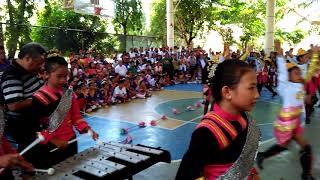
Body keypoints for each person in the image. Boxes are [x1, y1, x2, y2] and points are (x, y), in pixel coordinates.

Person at [176, 59, 260, 180]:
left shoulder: (245, 119)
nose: (257, 95)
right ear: (227, 92)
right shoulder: (207, 133)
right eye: (251, 88)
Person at [256, 41, 315, 180]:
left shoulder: (299, 85)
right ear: (288, 76)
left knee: (286, 146)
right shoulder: (285, 86)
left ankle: (262, 155)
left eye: (299, 72)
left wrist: (314, 55)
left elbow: (308, 70)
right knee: (305, 148)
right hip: (288, 122)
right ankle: (306, 175)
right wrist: (280, 55)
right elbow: (282, 71)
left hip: (296, 120)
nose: (299, 74)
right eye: (295, 72)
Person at [29, 53, 99, 168]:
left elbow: (76, 117)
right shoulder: (39, 98)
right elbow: (34, 128)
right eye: (59, 76)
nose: (63, 80)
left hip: (71, 142)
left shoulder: (68, 94)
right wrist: (55, 141)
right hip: (51, 146)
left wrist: (88, 129)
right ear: (46, 74)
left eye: (65, 76)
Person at [0, 43, 46, 165]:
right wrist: (42, 97)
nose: (40, 66)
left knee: (37, 154)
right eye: (38, 63)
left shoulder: (27, 70)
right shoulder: (12, 74)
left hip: (33, 122)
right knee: (31, 156)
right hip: (22, 125)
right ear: (27, 58)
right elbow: (14, 105)